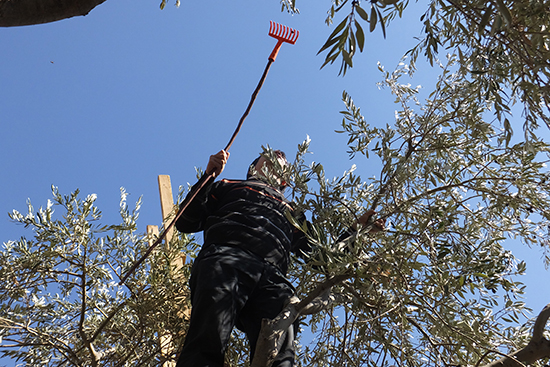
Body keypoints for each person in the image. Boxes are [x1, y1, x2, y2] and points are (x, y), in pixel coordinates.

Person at [175, 149, 383, 367]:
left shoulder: (292, 211)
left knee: (280, 358)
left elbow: (321, 257)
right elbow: (186, 221)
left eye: (281, 162)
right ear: (252, 168)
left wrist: (357, 232)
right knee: (207, 341)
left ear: (285, 180)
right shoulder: (228, 185)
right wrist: (208, 176)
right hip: (226, 259)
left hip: (274, 279)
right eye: (269, 157)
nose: (276, 159)